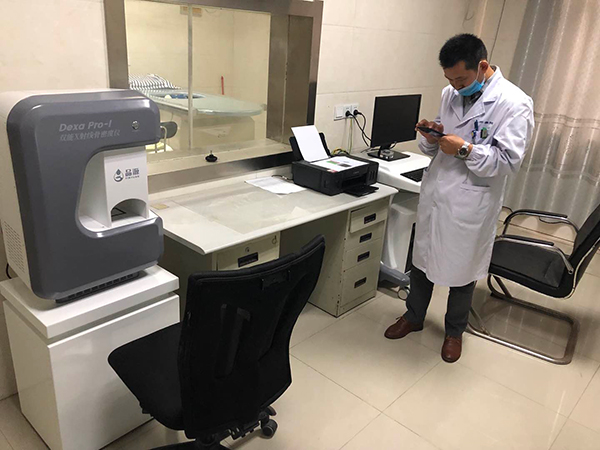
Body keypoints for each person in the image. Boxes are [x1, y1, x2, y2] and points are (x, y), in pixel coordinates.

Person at [384, 33, 534, 363]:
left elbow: (508, 162)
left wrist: (465, 149)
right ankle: (413, 316)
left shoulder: (514, 103)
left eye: (461, 80)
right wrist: (432, 136)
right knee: (421, 260)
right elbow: (441, 143)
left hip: (472, 201)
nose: (455, 86)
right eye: (449, 79)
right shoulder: (449, 93)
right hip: (438, 191)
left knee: (462, 270)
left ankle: (454, 331)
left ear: (482, 66)